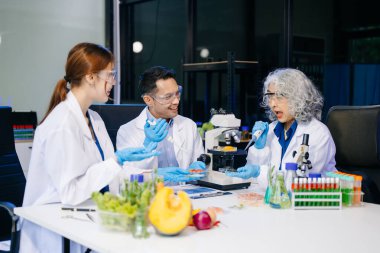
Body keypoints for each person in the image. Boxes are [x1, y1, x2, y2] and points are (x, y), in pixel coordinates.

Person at [20, 42, 159, 253]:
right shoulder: (62, 125)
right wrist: (116, 161)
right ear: (91, 77)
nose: (113, 81)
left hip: (85, 220)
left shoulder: (94, 119)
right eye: (110, 74)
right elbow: (70, 193)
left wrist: (152, 176)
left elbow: (108, 175)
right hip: (54, 232)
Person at [226, 68, 337, 189]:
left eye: (279, 96)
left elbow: (299, 183)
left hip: (308, 204)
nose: (272, 104)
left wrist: (259, 171)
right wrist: (259, 149)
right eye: (270, 96)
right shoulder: (271, 129)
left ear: (298, 97)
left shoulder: (318, 133)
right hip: (272, 201)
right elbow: (252, 180)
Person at [117, 66, 205, 182]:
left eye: (177, 93)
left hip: (184, 194)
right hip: (151, 196)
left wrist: (198, 168)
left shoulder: (189, 125)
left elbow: (200, 161)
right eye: (168, 97)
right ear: (148, 100)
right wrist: (147, 147)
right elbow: (128, 177)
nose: (176, 101)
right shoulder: (127, 131)